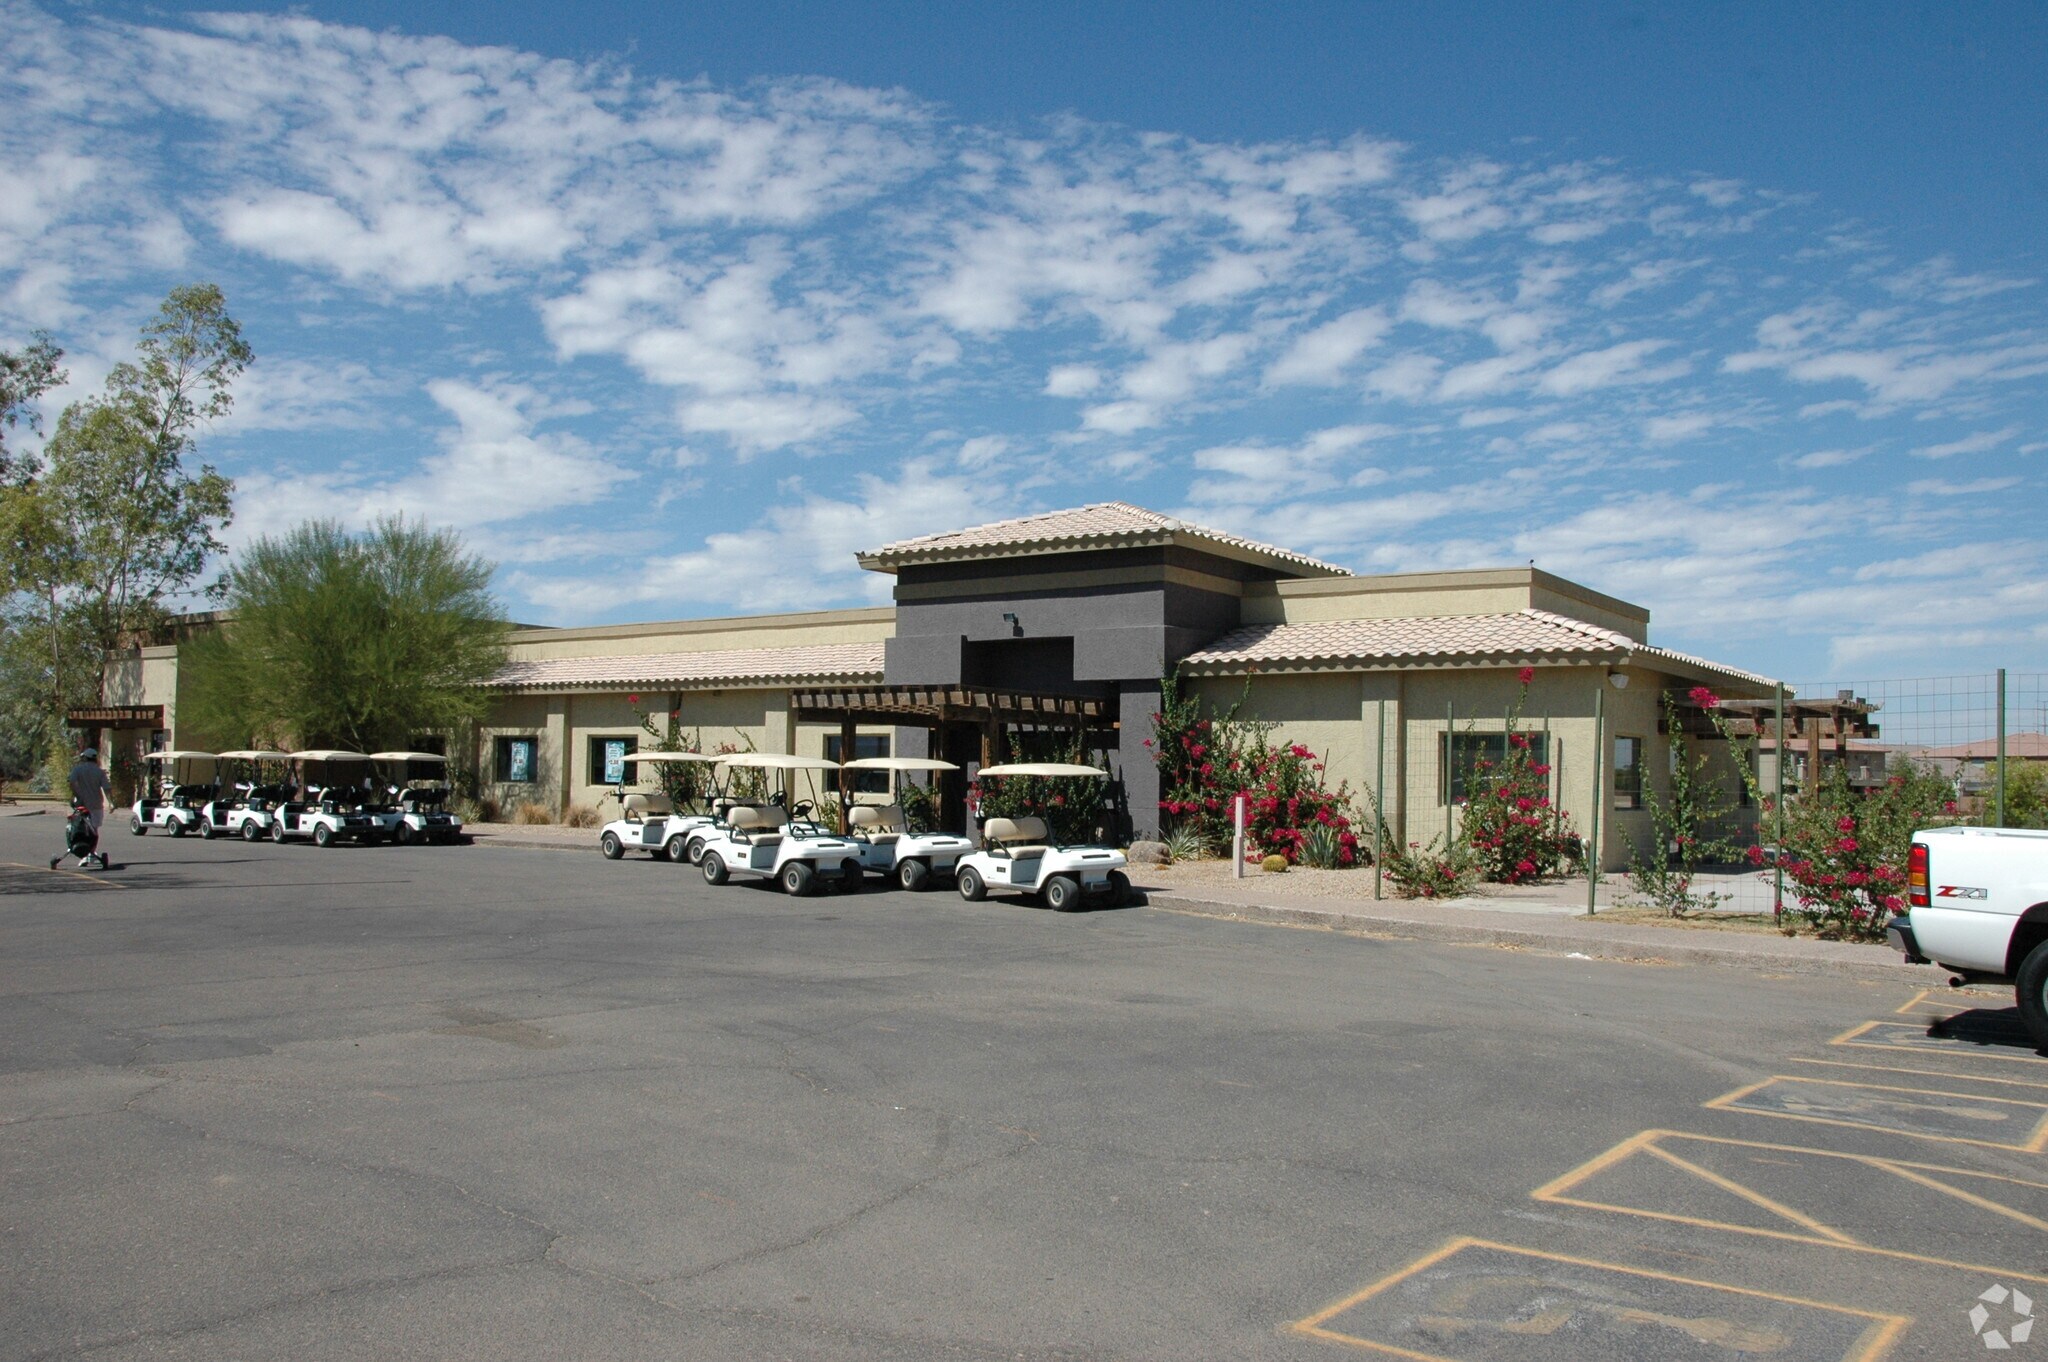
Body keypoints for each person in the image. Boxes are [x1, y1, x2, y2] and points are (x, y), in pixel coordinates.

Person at [55, 747, 114, 871]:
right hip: (96, 805)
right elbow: (106, 788)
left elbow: (71, 782)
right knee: (94, 830)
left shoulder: (78, 769)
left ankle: (81, 851)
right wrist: (111, 803)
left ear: (84, 758)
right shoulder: (99, 772)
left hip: (81, 804)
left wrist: (78, 795)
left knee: (78, 826)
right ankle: (89, 853)